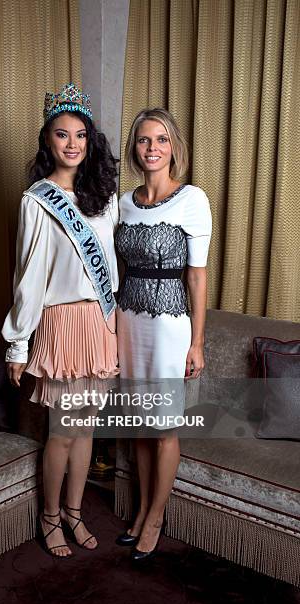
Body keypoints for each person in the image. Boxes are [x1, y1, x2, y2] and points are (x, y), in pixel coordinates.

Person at [2, 83, 119, 558]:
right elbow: (29, 278)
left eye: (80, 135)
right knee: (62, 430)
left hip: (99, 324)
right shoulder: (37, 200)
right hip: (61, 324)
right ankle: (49, 517)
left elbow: (112, 265)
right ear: (47, 141)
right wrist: (18, 344)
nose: (72, 143)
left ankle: (75, 512)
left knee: (87, 428)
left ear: (90, 142)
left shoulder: (104, 197)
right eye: (61, 134)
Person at [115, 108, 212, 562]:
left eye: (161, 140)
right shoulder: (125, 201)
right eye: (143, 141)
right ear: (135, 148)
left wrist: (197, 342)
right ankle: (138, 511)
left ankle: (156, 517)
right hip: (129, 322)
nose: (152, 148)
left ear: (174, 147)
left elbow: (197, 277)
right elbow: (115, 268)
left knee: (164, 428)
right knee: (138, 423)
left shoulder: (192, 199)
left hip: (172, 327)